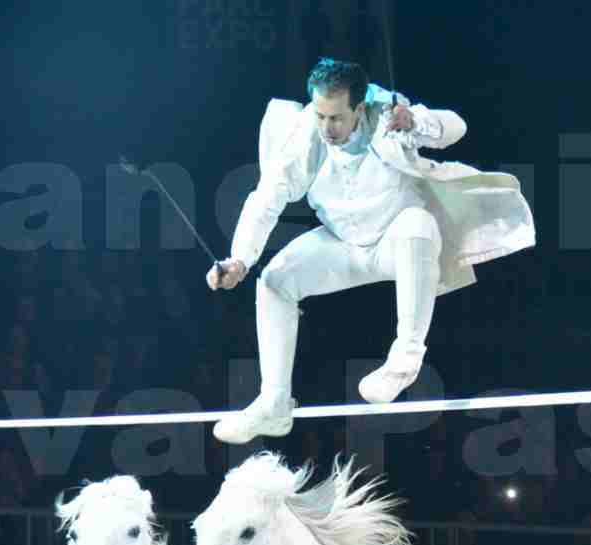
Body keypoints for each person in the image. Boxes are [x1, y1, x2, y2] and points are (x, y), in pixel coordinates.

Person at [207, 57, 534, 443]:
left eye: (336, 118)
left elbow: (456, 127)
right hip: (342, 246)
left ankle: (405, 359)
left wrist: (415, 121)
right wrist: (240, 258)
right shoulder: (305, 135)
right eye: (320, 115)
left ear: (359, 108)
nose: (326, 127)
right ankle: (275, 405)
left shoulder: (387, 116)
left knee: (419, 224)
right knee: (274, 281)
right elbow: (266, 200)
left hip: (397, 242)